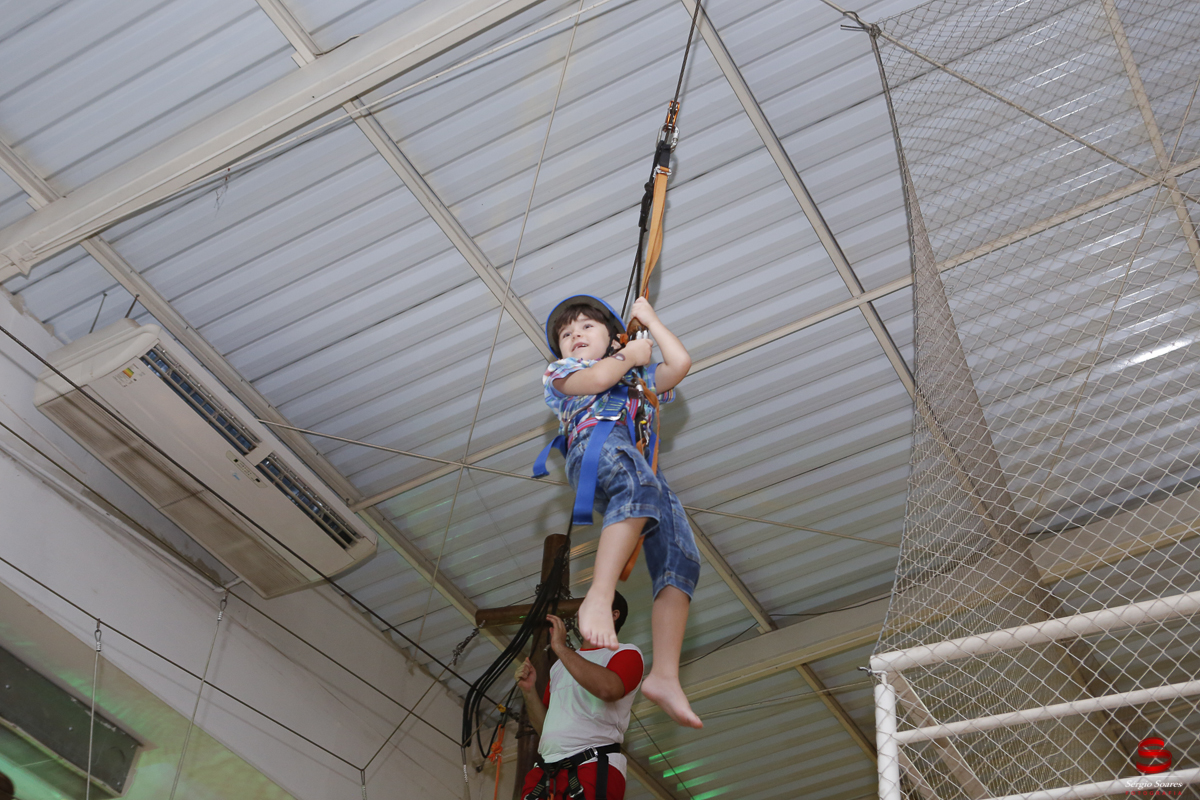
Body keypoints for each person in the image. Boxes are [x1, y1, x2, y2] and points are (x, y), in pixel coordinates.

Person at [540, 295, 702, 729]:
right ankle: (599, 595)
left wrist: (651, 322)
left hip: (637, 466)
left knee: (681, 558)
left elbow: (680, 364)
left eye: (586, 327)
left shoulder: (638, 378)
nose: (575, 335)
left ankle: (665, 675)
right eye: (566, 333)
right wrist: (629, 354)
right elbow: (597, 379)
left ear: (613, 337)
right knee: (640, 486)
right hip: (597, 451)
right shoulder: (562, 373)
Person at [516, 593, 642, 800]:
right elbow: (545, 728)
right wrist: (528, 691)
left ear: (614, 615)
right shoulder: (559, 666)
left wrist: (560, 647)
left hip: (593, 763)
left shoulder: (626, 652)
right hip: (547, 770)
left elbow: (608, 689)